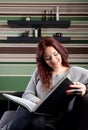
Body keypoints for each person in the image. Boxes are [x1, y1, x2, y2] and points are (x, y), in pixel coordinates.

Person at [0, 37, 88, 130]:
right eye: (48, 58)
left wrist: (85, 89)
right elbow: (27, 94)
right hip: (34, 109)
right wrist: (39, 102)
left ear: (60, 52)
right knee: (24, 111)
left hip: (55, 116)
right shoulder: (39, 71)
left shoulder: (75, 71)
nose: (53, 60)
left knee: (35, 122)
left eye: (55, 54)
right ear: (43, 60)